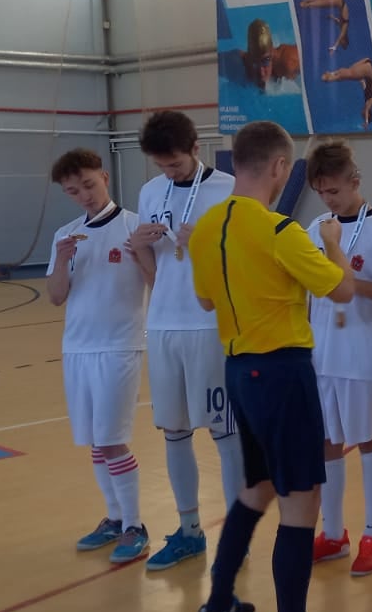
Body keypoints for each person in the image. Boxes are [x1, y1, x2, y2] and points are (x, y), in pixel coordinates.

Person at [186, 120, 360, 612]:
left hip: (240, 372)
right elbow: (343, 289)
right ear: (281, 168)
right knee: (300, 500)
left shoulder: (205, 228)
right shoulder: (280, 230)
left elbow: (207, 301)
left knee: (256, 487)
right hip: (283, 373)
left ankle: (218, 603)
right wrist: (333, 245)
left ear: (237, 161)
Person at [128, 111, 241, 572]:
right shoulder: (150, 192)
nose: (169, 173)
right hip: (163, 325)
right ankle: (189, 530)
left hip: (209, 326)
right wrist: (139, 247)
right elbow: (156, 274)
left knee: (224, 432)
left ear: (196, 148)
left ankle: (237, 535)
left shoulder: (230, 190)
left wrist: (207, 244)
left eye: (174, 163)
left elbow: (244, 264)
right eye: (161, 166)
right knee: (173, 431)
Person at [303, 141, 372, 579]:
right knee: (326, 444)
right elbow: (308, 291)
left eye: (334, 191)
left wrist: (343, 278)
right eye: (321, 192)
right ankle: (333, 534)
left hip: (364, 357)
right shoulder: (314, 228)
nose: (328, 200)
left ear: (355, 181)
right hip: (322, 357)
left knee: (370, 440)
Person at [46, 148, 151, 565]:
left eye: (89, 185)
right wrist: (61, 261)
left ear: (104, 177)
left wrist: (142, 253)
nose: (84, 196)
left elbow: (157, 281)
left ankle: (135, 525)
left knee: (111, 439)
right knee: (96, 438)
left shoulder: (134, 226)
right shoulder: (66, 235)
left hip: (119, 346)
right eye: (74, 191)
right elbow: (56, 297)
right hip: (77, 348)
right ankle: (114, 517)